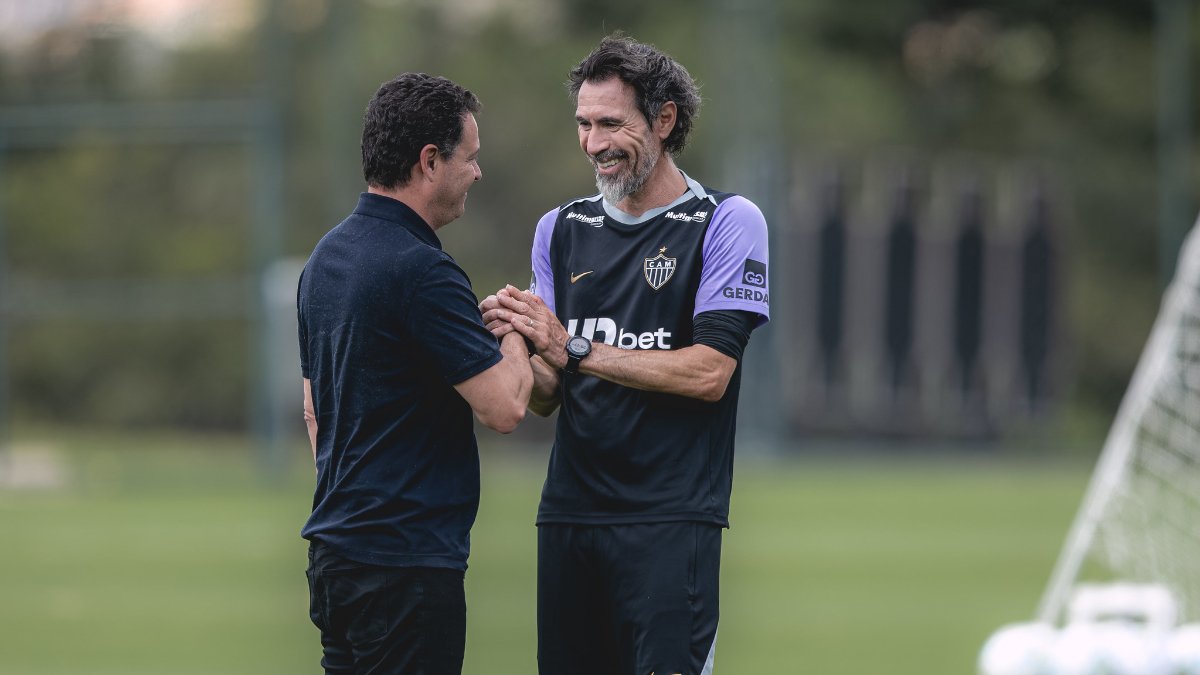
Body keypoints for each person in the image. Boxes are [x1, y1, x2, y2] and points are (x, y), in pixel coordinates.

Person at [482, 35, 771, 675]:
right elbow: (550, 394)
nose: (593, 142)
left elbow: (709, 374)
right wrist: (511, 338)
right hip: (569, 516)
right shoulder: (558, 229)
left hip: (671, 519)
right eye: (583, 124)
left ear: (664, 120)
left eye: (611, 123)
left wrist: (573, 346)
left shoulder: (727, 220)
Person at [297, 73, 533, 675]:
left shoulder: (324, 259)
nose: (477, 174)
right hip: (404, 566)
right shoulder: (423, 271)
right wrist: (517, 328)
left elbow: (315, 413)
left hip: (336, 556)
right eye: (470, 158)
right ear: (430, 161)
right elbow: (504, 408)